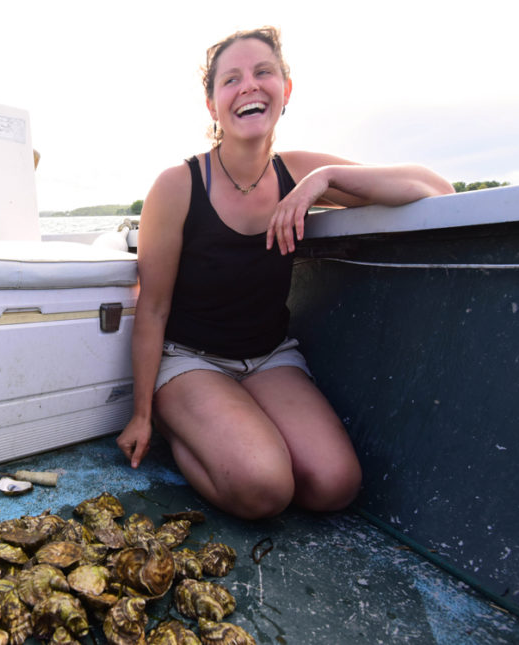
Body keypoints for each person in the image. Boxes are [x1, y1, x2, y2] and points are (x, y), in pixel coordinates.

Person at [116, 27, 454, 520]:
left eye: (263, 72)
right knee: (265, 489)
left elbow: (434, 186)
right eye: (231, 79)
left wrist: (324, 181)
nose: (249, 86)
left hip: (269, 358)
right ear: (212, 105)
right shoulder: (178, 185)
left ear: (286, 90)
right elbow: (153, 307)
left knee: (334, 486)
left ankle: (228, 431)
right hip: (190, 359)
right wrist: (142, 414)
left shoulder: (298, 172)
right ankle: (180, 427)